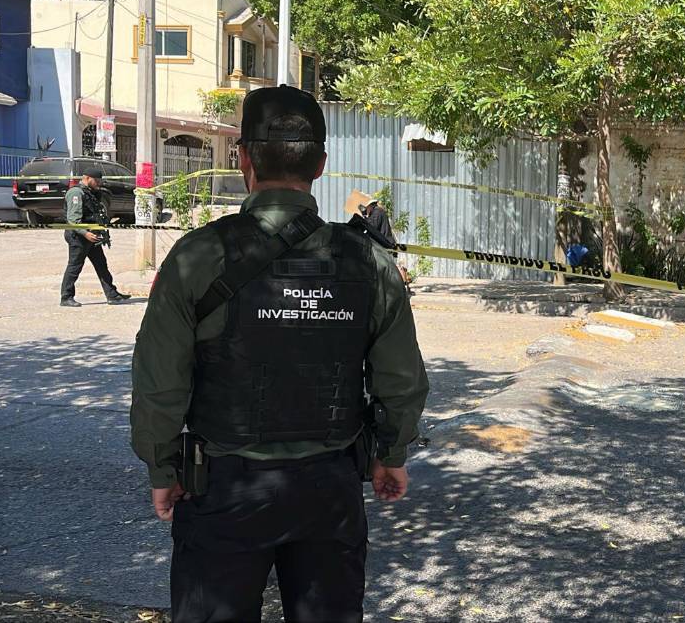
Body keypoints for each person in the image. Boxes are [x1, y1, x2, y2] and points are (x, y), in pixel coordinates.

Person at [129, 85, 429, 623]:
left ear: (242, 157)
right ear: (320, 164)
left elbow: (159, 382)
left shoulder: (197, 256)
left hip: (224, 488)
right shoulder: (370, 263)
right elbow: (401, 379)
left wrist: (162, 467)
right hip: (329, 489)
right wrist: (392, 454)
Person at [60, 168, 130, 307]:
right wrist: (85, 233)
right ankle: (66, 297)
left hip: (91, 236)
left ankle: (112, 295)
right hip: (79, 236)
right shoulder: (76, 193)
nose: (99, 183)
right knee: (75, 266)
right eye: (96, 180)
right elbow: (73, 220)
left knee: (101, 265)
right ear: (87, 178)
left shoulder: (90, 193)